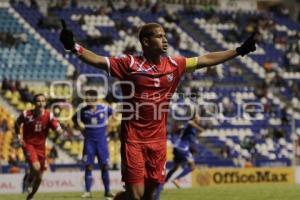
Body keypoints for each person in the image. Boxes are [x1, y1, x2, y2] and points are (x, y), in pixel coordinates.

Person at [60, 20, 256, 200]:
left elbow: (206, 59)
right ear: (145, 41)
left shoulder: (175, 64)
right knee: (136, 196)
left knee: (150, 197)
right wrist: (73, 47)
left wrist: (238, 51)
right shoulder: (129, 64)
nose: (165, 39)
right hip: (133, 139)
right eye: (159, 36)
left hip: (158, 140)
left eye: (165, 35)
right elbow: (98, 60)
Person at [14, 93, 65, 200]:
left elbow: (57, 128)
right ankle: (28, 180)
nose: (41, 103)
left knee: (40, 177)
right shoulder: (26, 114)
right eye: (38, 101)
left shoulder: (48, 115)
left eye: (43, 101)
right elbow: (17, 123)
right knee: (36, 167)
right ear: (34, 103)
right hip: (28, 144)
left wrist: (60, 132)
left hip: (41, 148)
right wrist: (19, 136)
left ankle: (31, 195)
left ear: (45, 103)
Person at [72, 89, 115, 199]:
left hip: (101, 141)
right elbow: (74, 119)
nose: (89, 101)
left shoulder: (104, 108)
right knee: (88, 166)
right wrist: (81, 130)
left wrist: (109, 127)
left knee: (104, 166)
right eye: (87, 99)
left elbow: (114, 114)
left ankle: (107, 191)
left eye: (91, 98)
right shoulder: (83, 111)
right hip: (89, 142)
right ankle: (88, 192)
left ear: (96, 99)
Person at [155, 112, 203, 200]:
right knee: (192, 167)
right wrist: (200, 128)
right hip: (182, 148)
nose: (199, 118)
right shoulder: (191, 123)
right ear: (194, 118)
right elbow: (190, 122)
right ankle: (177, 179)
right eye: (198, 117)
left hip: (178, 147)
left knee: (175, 168)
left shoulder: (191, 129)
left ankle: (161, 186)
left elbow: (188, 135)